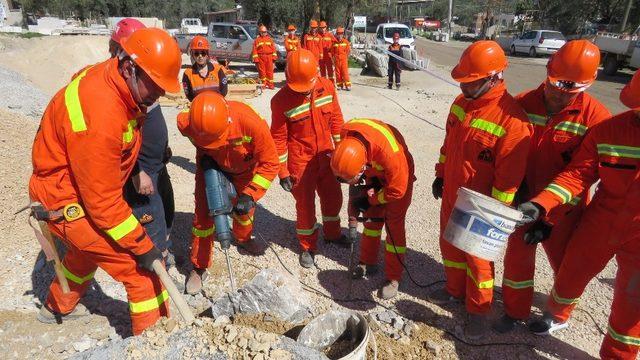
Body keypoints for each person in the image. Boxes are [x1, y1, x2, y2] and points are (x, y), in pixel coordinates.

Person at [31, 28, 182, 335]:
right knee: (140, 271)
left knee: (86, 254)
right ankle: (154, 344)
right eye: (154, 85)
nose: (159, 95)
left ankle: (55, 308)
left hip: (73, 189)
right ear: (129, 67)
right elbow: (102, 204)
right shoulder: (99, 115)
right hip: (63, 199)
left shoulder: (114, 82)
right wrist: (142, 246)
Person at [518, 70, 640, 360]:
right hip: (603, 220)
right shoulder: (609, 131)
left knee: (631, 302)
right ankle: (558, 315)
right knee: (572, 271)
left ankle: (617, 355)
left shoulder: (598, 119)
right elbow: (577, 175)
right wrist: (541, 204)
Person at [494, 40, 611, 333]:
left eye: (567, 91)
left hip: (564, 207)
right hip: (523, 199)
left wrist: (550, 218)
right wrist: (514, 190)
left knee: (567, 265)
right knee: (518, 258)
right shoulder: (522, 103)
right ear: (547, 72)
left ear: (586, 85)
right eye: (554, 84)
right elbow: (506, 151)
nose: (557, 95)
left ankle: (559, 313)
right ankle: (514, 310)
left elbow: (582, 174)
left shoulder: (596, 119)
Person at [428, 40, 532, 339]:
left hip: (482, 204)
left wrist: (496, 214)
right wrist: (440, 174)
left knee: (478, 258)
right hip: (453, 193)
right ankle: (454, 290)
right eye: (463, 81)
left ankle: (478, 310)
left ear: (494, 78)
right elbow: (448, 146)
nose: (464, 88)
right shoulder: (461, 104)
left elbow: (509, 177)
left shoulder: (512, 122)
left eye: (471, 83)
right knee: (450, 245)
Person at [178, 92, 279, 294]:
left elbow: (271, 162)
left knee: (244, 212)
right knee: (204, 218)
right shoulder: (187, 122)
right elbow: (183, 126)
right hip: (210, 166)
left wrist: (250, 194)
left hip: (244, 170)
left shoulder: (250, 124)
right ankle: (199, 266)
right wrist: (205, 155)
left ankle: (243, 239)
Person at [270, 49, 346, 268]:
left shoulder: (327, 87)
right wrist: (282, 172)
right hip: (300, 163)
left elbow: (337, 121)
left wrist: (341, 153)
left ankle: (332, 234)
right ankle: (307, 246)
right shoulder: (281, 100)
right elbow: (278, 138)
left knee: (333, 199)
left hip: (327, 156)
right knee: (305, 207)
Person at [331, 119, 415, 299]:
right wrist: (360, 200)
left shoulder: (391, 156)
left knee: (394, 226)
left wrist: (375, 199)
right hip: (374, 171)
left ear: (362, 167)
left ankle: (393, 278)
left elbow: (397, 190)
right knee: (371, 219)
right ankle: (367, 262)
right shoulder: (346, 137)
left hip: (398, 179)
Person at [182, 35, 228, 101]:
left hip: (216, 107)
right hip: (199, 108)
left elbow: (224, 91)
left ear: (207, 54)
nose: (200, 56)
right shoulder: (188, 74)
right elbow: (189, 95)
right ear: (192, 55)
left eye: (203, 53)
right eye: (196, 53)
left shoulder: (218, 70)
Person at [251, 25, 277, 90]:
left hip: (269, 57)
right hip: (261, 57)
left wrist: (274, 57)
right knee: (262, 71)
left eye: (265, 32)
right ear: (260, 32)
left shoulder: (270, 39)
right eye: (262, 32)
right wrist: (256, 59)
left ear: (266, 32)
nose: (263, 33)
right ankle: (263, 84)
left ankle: (270, 84)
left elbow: (274, 49)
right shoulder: (257, 40)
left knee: (270, 71)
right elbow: (254, 50)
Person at [332, 27, 351, 91]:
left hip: (343, 60)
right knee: (338, 73)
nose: (340, 35)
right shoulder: (334, 43)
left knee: (345, 73)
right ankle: (339, 85)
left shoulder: (346, 42)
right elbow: (332, 52)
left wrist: (345, 58)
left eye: (341, 34)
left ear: (343, 34)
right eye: (338, 34)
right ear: (336, 34)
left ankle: (348, 85)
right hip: (337, 60)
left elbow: (348, 51)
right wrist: (333, 60)